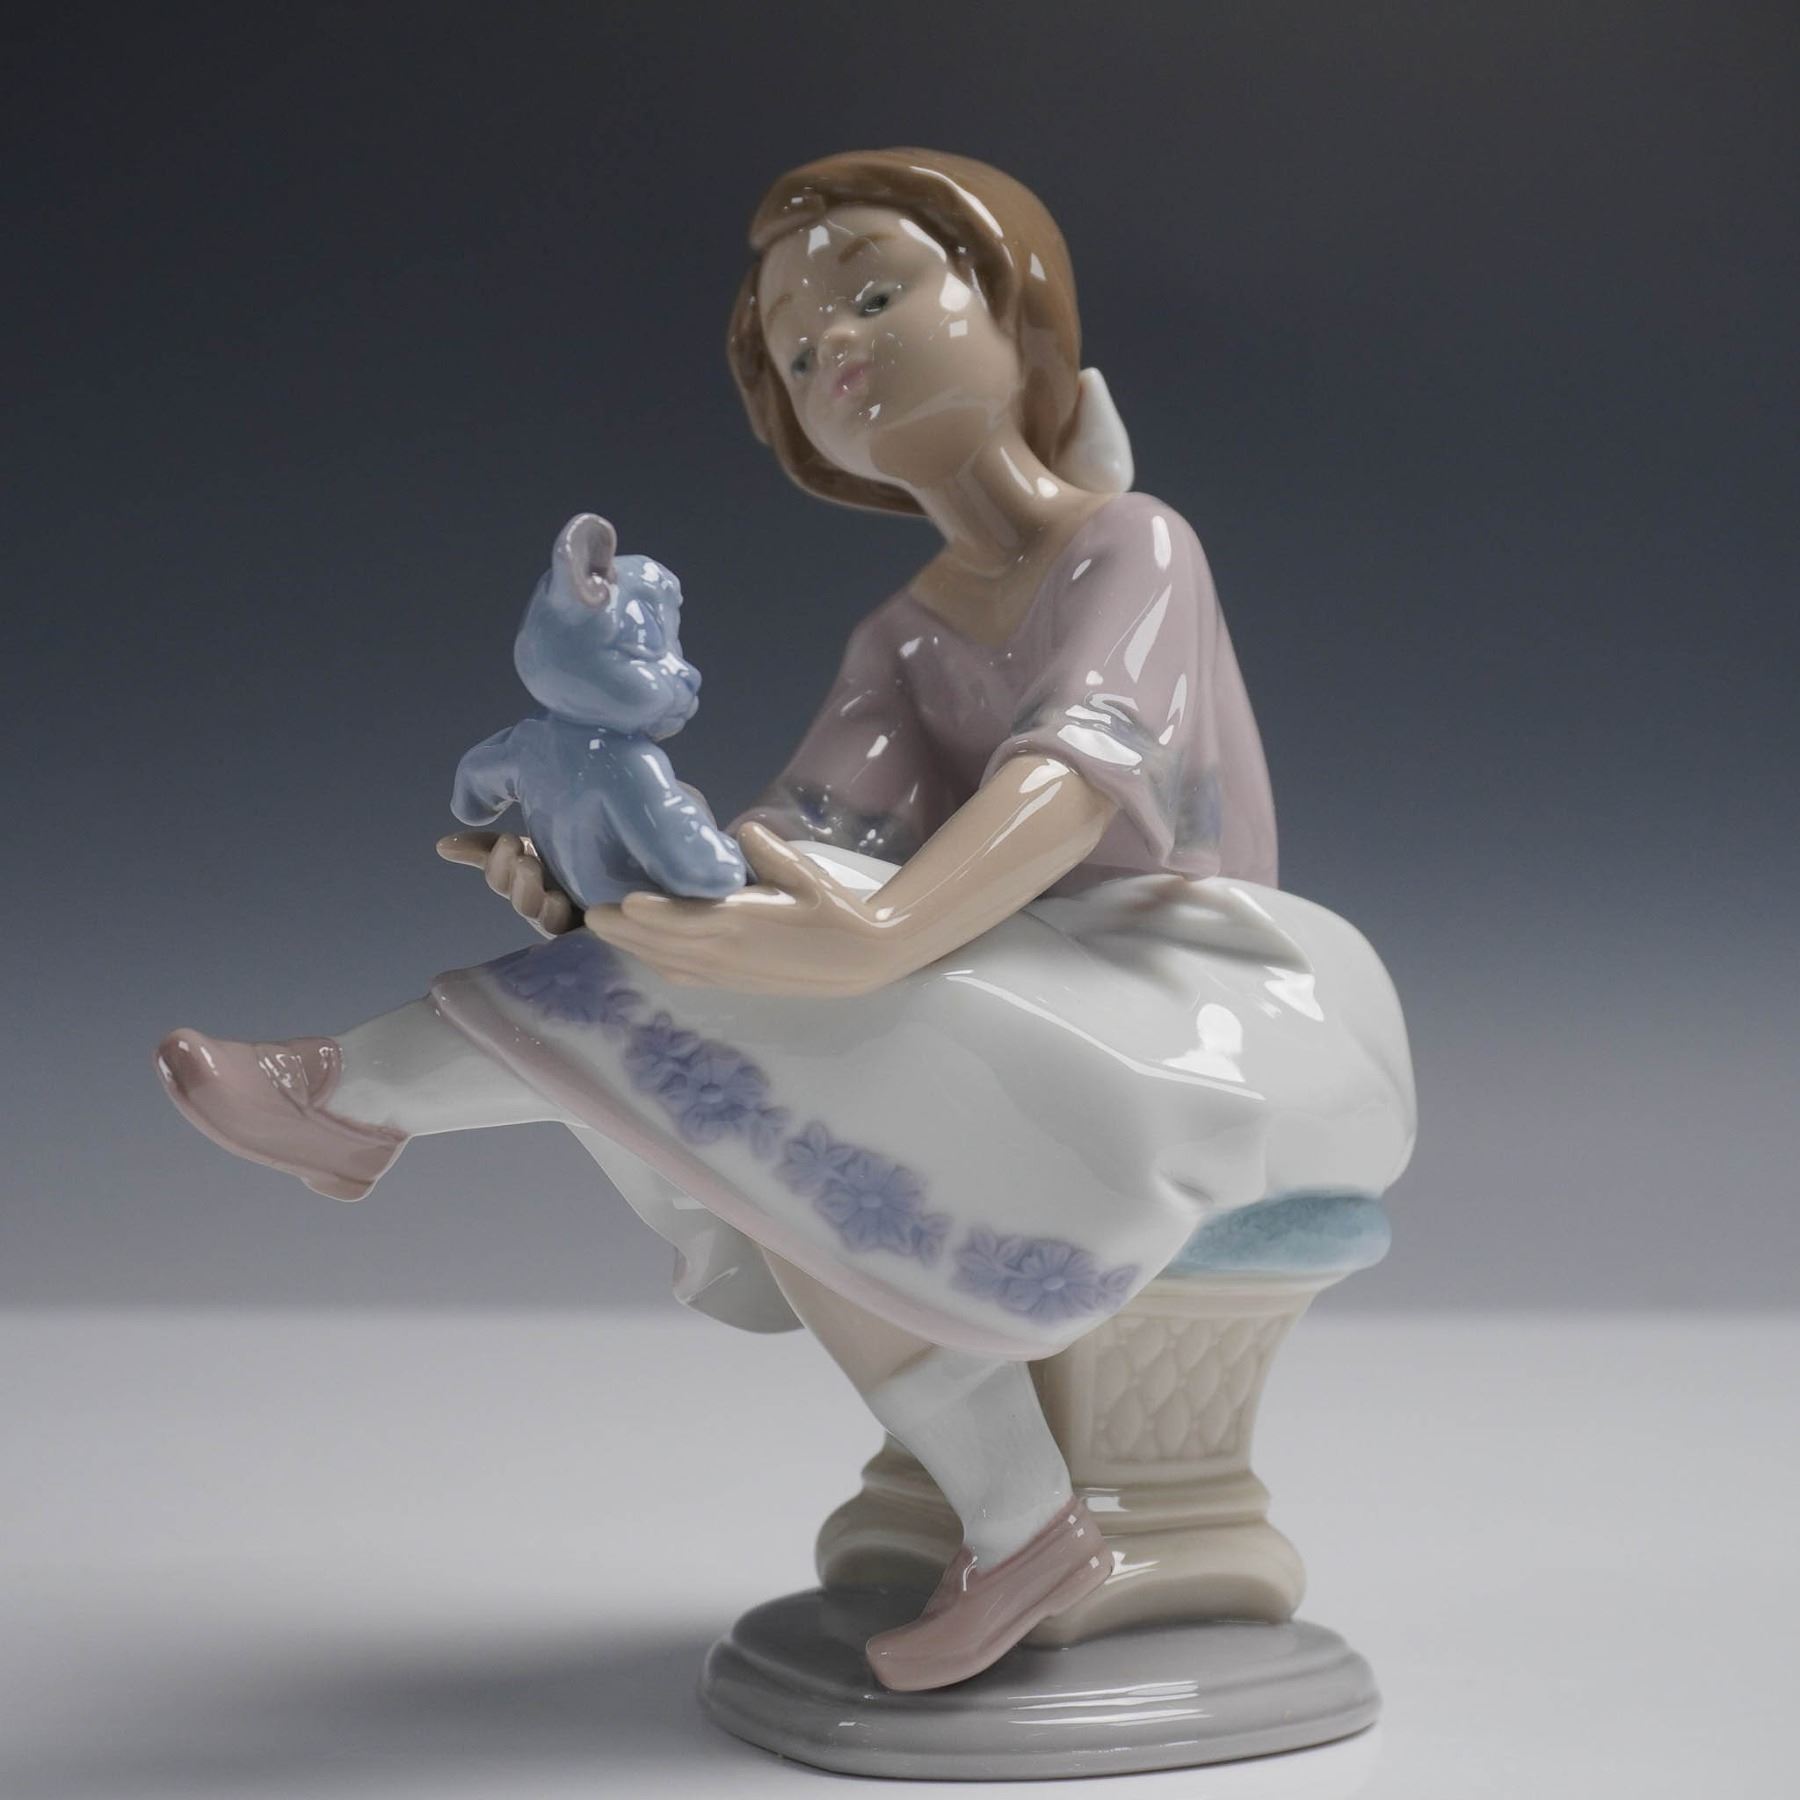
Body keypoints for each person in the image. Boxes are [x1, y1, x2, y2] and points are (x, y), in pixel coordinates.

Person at [154, 149, 1414, 1692]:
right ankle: (1025, 1534)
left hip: (1195, 998)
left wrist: (873, 938)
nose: (838, 350)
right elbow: (790, 847)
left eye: (874, 296)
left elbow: (1070, 784)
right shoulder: (903, 636)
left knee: (807, 1029)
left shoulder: (1132, 541)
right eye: (801, 350)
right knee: (778, 1085)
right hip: (1010, 966)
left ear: (1013, 309)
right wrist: (596, 877)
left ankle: (351, 1096)